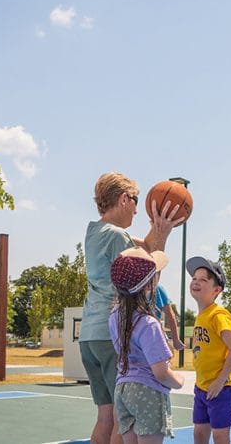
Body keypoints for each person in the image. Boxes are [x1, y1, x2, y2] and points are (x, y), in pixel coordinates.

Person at [81, 172, 183, 444]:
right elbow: (146, 270)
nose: (138, 210)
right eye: (136, 202)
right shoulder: (117, 237)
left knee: (106, 416)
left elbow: (144, 246)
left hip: (90, 336)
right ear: (124, 199)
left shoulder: (95, 231)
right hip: (111, 334)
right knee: (121, 420)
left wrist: (159, 227)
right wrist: (163, 231)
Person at [109, 248, 185, 444]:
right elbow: (161, 372)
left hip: (122, 389)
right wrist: (178, 380)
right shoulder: (148, 324)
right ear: (151, 284)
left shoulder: (114, 317)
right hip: (147, 391)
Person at [185, 256, 231, 444]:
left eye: (203, 279)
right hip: (202, 387)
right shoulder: (200, 316)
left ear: (216, 290)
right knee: (199, 434)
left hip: (222, 388)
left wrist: (219, 381)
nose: (196, 281)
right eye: (194, 278)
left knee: (220, 436)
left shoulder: (218, 315)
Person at [154, 283, 186, 352]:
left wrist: (176, 339)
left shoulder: (157, 288)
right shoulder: (157, 287)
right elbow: (170, 314)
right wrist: (176, 339)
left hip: (154, 334)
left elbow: (170, 314)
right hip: (153, 334)